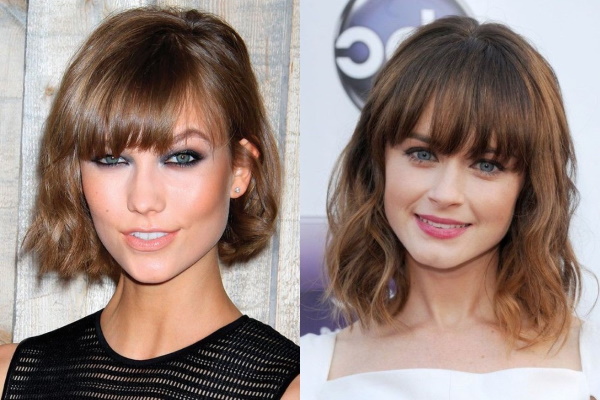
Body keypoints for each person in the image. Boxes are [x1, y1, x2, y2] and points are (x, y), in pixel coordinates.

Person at [0, 7, 299, 399]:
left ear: (240, 170)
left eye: (181, 158)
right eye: (111, 159)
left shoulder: (296, 388)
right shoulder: (9, 377)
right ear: (77, 175)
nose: (143, 199)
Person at [301, 16, 599, 399]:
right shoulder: (309, 372)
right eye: (423, 154)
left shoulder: (588, 363)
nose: (446, 193)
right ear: (377, 163)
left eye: (487, 164)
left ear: (528, 188)